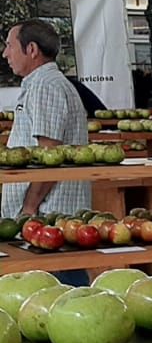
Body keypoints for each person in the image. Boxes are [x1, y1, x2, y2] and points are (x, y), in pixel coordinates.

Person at [1, 20, 91, 221]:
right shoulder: (44, 83)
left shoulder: (45, 86)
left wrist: (29, 208)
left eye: (9, 45)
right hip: (45, 215)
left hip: (46, 215)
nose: (5, 54)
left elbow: (50, 151)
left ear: (32, 49)